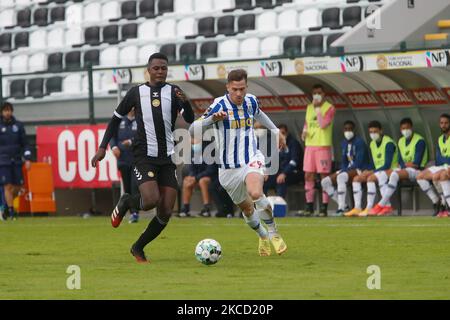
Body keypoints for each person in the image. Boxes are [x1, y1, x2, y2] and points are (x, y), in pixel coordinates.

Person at [91, 53, 194, 263]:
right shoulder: (136, 93)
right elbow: (114, 120)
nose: (160, 72)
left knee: (165, 211)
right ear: (148, 70)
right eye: (156, 68)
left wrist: (187, 103)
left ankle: (138, 247)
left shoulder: (175, 92)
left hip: (167, 157)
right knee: (150, 200)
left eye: (163, 68)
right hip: (143, 156)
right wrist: (102, 147)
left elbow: (190, 119)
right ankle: (128, 200)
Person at [189, 69, 287, 256]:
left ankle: (274, 232)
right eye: (235, 89)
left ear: (246, 87)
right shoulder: (218, 105)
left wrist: (276, 131)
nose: (239, 93)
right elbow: (193, 130)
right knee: (248, 209)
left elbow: (260, 114)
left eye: (242, 88)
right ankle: (263, 235)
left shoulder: (251, 101)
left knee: (256, 192)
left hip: (251, 158)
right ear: (228, 87)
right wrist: (211, 119)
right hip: (228, 170)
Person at [369, 118, 428, 216]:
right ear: (400, 130)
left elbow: (416, 163)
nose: (405, 131)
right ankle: (387, 207)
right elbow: (400, 161)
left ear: (411, 128)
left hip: (418, 171)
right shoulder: (400, 141)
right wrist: (405, 164)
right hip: (404, 169)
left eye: (407, 128)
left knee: (394, 174)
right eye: (403, 128)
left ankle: (381, 204)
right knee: (382, 175)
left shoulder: (419, 141)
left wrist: (406, 164)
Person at [345, 121, 398, 217]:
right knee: (356, 179)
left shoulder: (388, 143)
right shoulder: (372, 144)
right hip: (378, 171)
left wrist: (371, 172)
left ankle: (370, 207)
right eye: (371, 132)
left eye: (375, 131)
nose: (373, 134)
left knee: (370, 178)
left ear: (381, 131)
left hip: (391, 170)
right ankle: (357, 207)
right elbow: (373, 164)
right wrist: (367, 170)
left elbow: (387, 164)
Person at [321, 120, 371, 216]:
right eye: (346, 129)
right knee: (325, 182)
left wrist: (343, 171)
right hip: (348, 170)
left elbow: (359, 162)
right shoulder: (343, 143)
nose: (348, 131)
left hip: (360, 169)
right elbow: (344, 161)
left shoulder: (360, 142)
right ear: (343, 130)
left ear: (354, 130)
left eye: (350, 129)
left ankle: (341, 208)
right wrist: (342, 169)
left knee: (341, 176)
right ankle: (344, 205)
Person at [301, 84, 336, 217]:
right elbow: (307, 123)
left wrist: (318, 110)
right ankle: (309, 205)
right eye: (314, 93)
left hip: (323, 146)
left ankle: (324, 207)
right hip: (310, 146)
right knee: (308, 175)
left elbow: (323, 124)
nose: (316, 95)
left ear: (324, 94)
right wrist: (304, 132)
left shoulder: (330, 108)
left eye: (319, 93)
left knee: (323, 177)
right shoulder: (309, 107)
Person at [0, 102, 31, 220]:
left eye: (9, 110)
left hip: (17, 160)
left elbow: (25, 144)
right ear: (2, 112)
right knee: (7, 186)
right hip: (3, 161)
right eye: (5, 110)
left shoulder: (18, 126)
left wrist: (27, 159)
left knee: (19, 188)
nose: (7, 112)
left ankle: (6, 207)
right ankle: (12, 213)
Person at [110, 108, 140, 223]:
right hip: (123, 159)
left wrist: (131, 142)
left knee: (135, 185)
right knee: (127, 187)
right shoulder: (119, 120)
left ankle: (135, 212)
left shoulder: (140, 120)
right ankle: (130, 212)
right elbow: (112, 136)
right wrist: (114, 147)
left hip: (136, 159)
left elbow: (144, 137)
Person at [417, 114, 450, 217]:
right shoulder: (440, 139)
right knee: (420, 176)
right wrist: (445, 160)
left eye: (446, 123)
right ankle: (437, 201)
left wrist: (445, 160)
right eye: (441, 123)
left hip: (447, 166)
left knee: (440, 176)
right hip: (443, 166)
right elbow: (438, 159)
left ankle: (447, 205)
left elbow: (443, 159)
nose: (443, 125)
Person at [263, 124, 303, 199]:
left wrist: (284, 173)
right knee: (262, 181)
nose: (281, 136)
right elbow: (270, 160)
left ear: (287, 133)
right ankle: (262, 206)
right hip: (279, 173)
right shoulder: (275, 144)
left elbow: (294, 162)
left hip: (293, 173)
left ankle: (279, 207)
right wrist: (267, 172)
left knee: (281, 181)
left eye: (283, 133)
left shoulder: (293, 143)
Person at [179, 139, 214, 217]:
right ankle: (185, 209)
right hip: (197, 176)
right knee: (186, 180)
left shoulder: (209, 149)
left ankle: (206, 209)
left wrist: (196, 178)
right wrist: (191, 177)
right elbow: (192, 168)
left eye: (193, 139)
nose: (191, 142)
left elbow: (211, 170)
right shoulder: (193, 151)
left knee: (202, 181)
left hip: (211, 177)